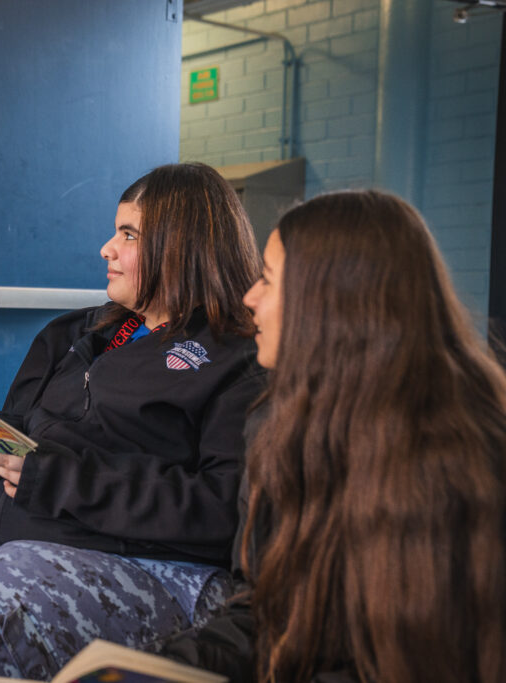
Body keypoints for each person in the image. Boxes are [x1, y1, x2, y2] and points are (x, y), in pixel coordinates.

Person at [0, 163, 266, 681]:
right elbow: (19, 425)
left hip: (153, 570)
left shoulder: (237, 358)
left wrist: (54, 477)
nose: (106, 249)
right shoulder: (76, 332)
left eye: (128, 235)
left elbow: (223, 509)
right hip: (8, 539)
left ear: (184, 247)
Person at [164, 190, 506, 683]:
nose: (249, 298)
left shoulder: (471, 454)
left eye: (267, 279)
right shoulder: (278, 426)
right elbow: (264, 615)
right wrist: (162, 667)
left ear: (331, 303)